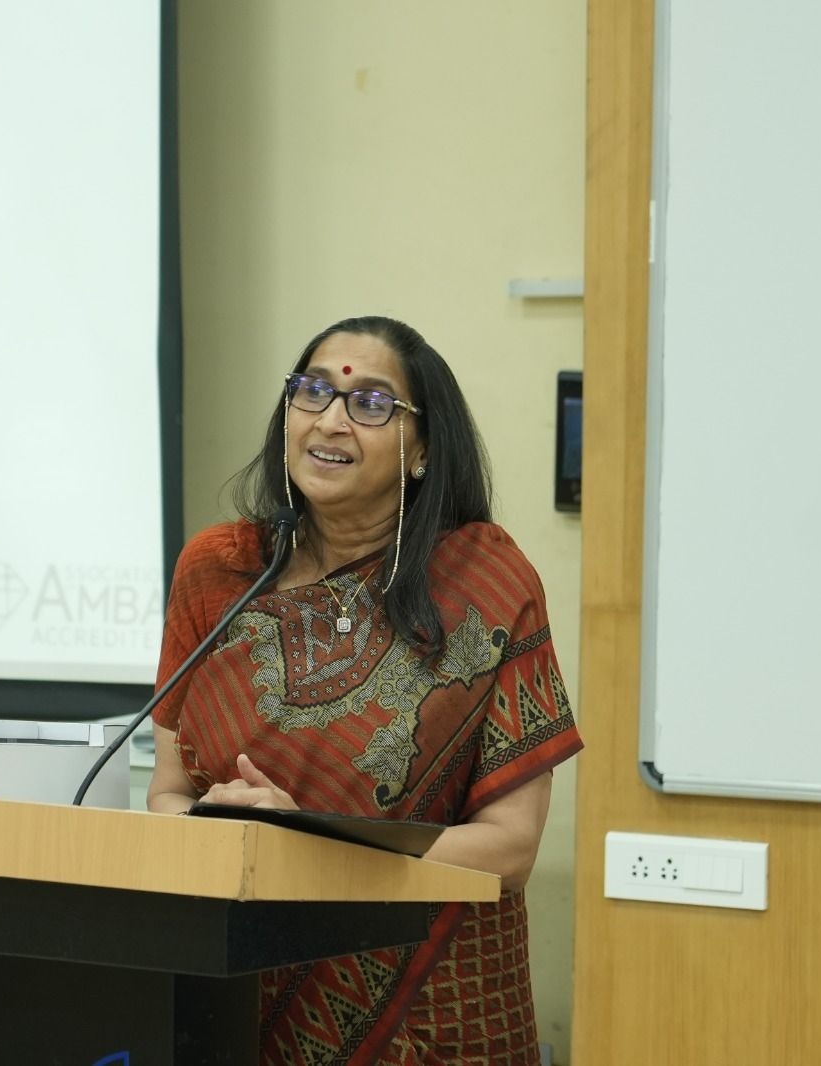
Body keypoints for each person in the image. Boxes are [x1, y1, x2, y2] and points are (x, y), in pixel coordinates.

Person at [147, 315, 583, 1065]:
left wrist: (308, 839)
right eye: (312, 392)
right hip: (238, 998)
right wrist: (223, 834)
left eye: (371, 403)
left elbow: (510, 850)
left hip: (428, 1020)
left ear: (421, 449)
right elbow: (167, 795)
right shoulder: (217, 569)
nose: (331, 418)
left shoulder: (483, 582)